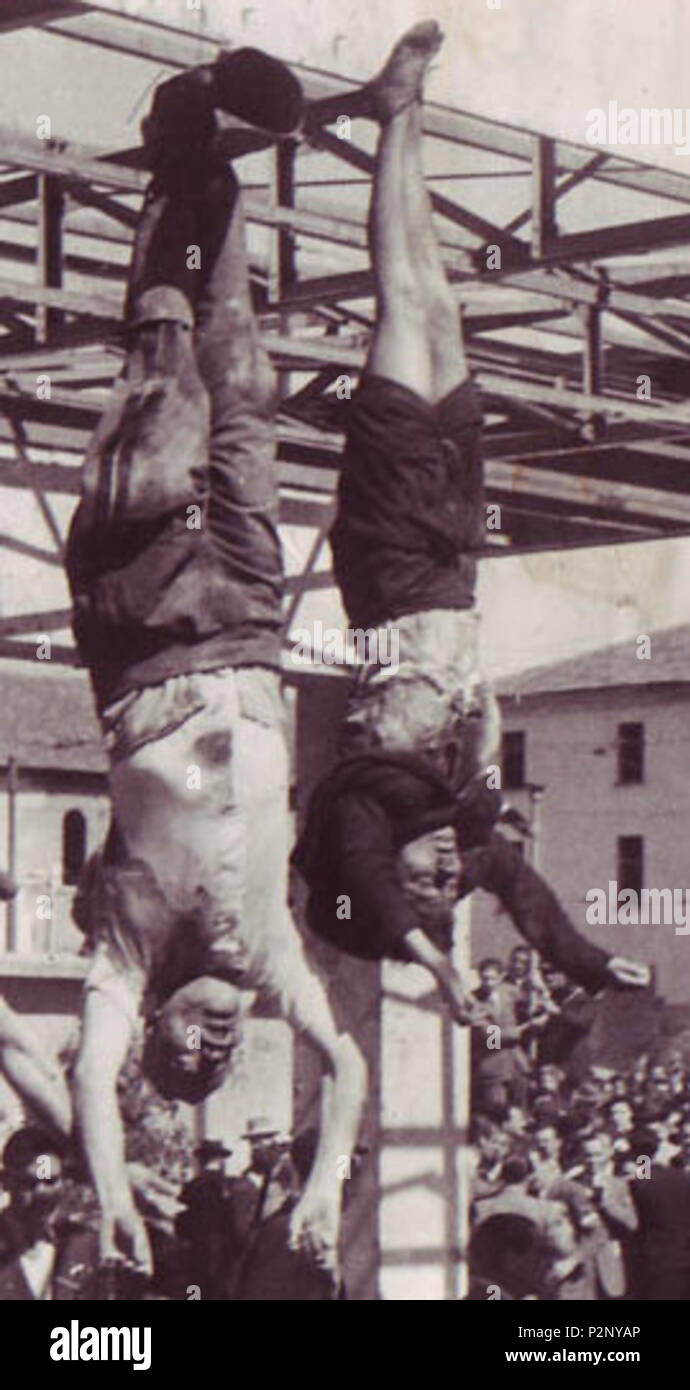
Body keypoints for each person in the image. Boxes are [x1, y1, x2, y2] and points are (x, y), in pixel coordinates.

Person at [64, 50, 365, 1277]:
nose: (211, 1053)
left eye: (181, 1061)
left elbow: (85, 1069)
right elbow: (345, 1064)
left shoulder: (125, 959)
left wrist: (108, 1190)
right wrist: (329, 1170)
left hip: (145, 630)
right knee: (241, 376)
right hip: (244, 616)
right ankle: (208, 154)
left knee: (166, 379)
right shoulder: (273, 958)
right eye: (223, 1064)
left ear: (151, 1038)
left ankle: (172, 155)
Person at [294, 21, 650, 1029]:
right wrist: (588, 962)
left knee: (401, 302)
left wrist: (426, 957)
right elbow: (524, 894)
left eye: (431, 883)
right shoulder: (457, 815)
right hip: (452, 553)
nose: (449, 869)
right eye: (453, 882)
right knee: (441, 308)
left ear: (389, 883)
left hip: (392, 550)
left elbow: (358, 882)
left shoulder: (361, 805)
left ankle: (395, 113)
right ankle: (399, 116)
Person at [0, 1126, 98, 1300]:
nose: (43, 1194)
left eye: (50, 1181)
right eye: (29, 1183)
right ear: (6, 1181)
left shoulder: (83, 1244)